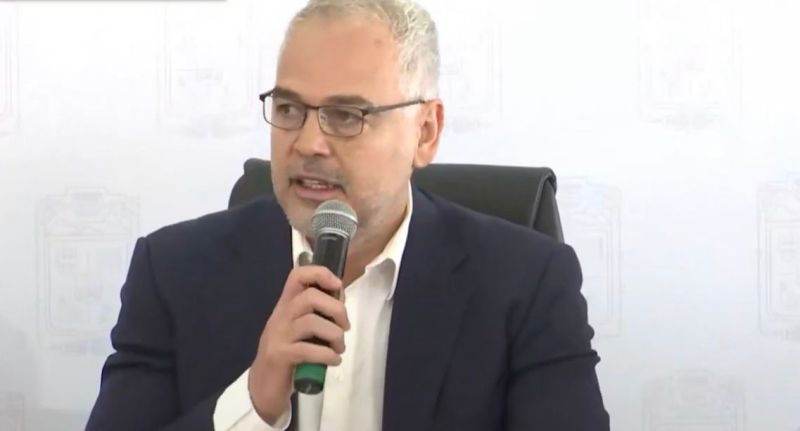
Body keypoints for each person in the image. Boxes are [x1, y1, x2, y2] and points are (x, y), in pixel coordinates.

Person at [86, 0, 609, 430]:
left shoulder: (528, 284)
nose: (308, 143)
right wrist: (252, 401)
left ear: (425, 132)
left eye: (346, 115)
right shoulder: (173, 272)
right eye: (289, 109)